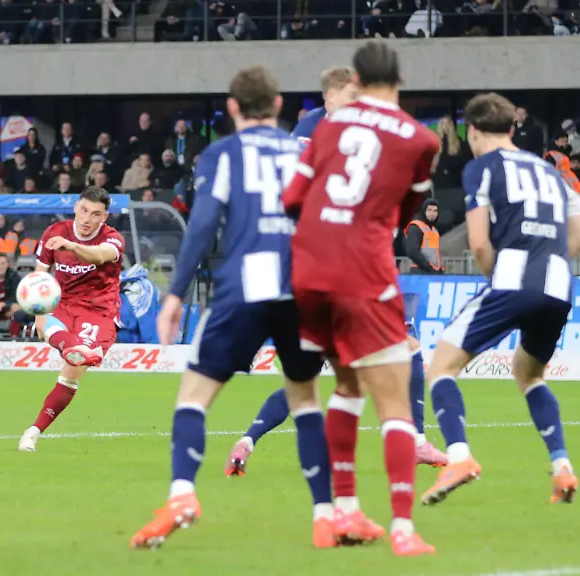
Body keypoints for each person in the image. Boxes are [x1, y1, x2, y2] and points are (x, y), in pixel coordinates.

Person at [129, 66, 334, 551]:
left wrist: (175, 294)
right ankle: (325, 516)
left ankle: (182, 495)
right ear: (281, 106)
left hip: (245, 285)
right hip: (302, 285)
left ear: (234, 109)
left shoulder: (222, 154)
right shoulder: (306, 153)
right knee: (305, 401)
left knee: (194, 396)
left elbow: (201, 226)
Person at [227, 66, 448, 479]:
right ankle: (409, 449)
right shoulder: (346, 131)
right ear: (332, 96)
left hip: (311, 263)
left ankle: (249, 439)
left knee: (310, 372)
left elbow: (290, 197)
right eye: (348, 94)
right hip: (350, 264)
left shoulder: (311, 131)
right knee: (400, 354)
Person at [281, 41, 440, 556]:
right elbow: (405, 213)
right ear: (397, 80)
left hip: (309, 268)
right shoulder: (420, 139)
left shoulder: (325, 127)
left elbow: (291, 200)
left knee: (346, 387)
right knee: (393, 400)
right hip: (364, 271)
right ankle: (402, 527)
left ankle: (346, 511)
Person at [421, 93, 580, 507]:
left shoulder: (481, 168)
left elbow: (478, 242)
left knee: (441, 368)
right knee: (530, 375)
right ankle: (562, 467)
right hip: (558, 285)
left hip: (513, 278)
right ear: (513, 128)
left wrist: (504, 274)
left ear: (473, 131)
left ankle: (459, 457)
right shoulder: (552, 172)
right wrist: (545, 260)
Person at [17, 187, 124, 452]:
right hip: (62, 304)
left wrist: (73, 246)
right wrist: (39, 312)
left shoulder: (113, 239)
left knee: (72, 372)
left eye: (96, 214)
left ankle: (32, 431)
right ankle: (76, 348)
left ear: (105, 217)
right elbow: (40, 274)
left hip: (98, 310)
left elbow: (100, 255)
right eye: (84, 210)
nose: (87, 219)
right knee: (50, 330)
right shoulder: (54, 232)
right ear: (76, 207)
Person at [291, 65, 357, 146]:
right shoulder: (309, 123)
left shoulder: (367, 121)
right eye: (353, 96)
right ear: (331, 97)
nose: (360, 101)